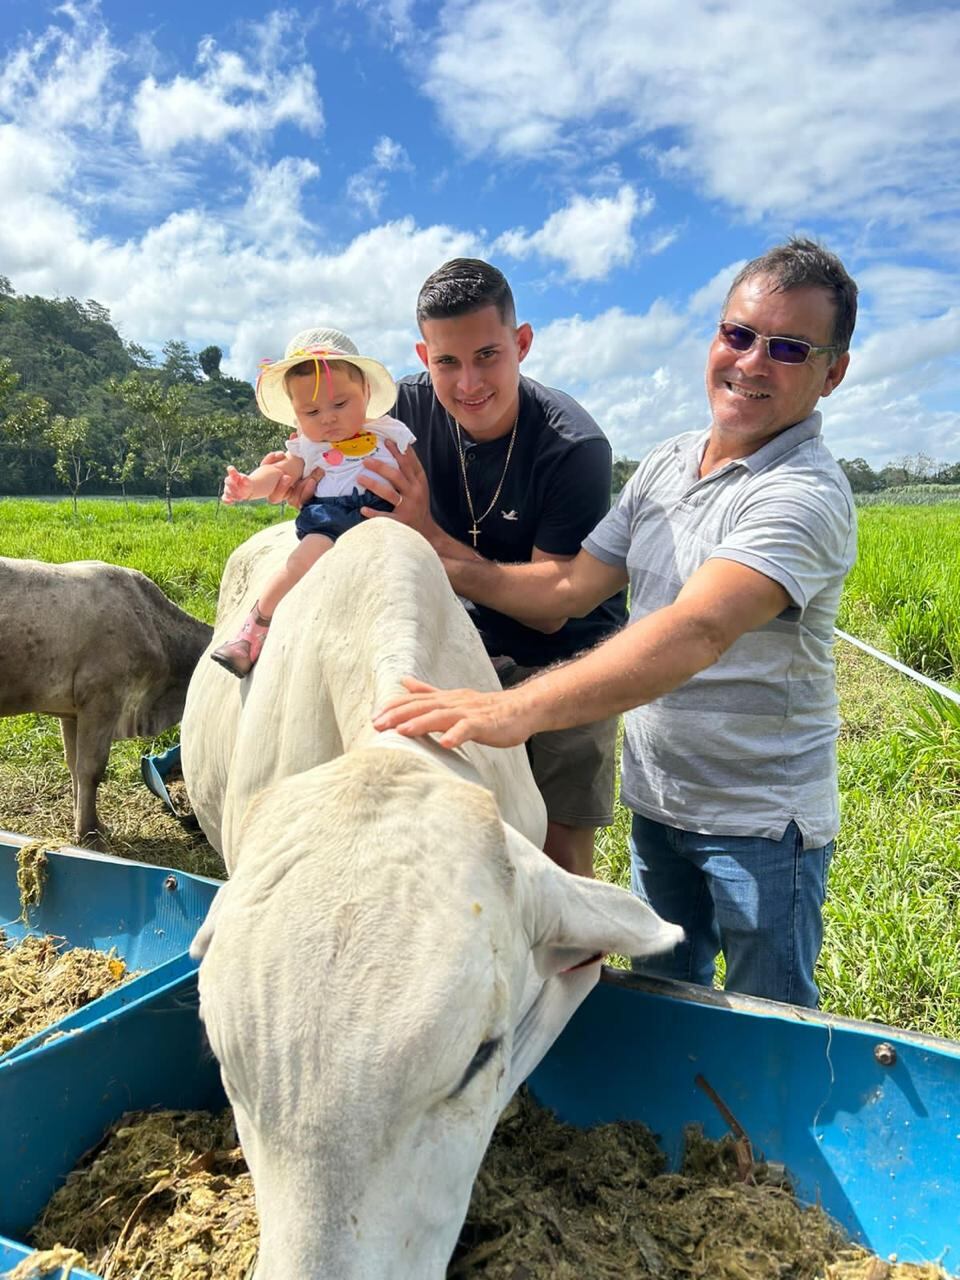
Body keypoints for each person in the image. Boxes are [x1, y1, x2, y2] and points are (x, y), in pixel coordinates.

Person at [373, 237, 859, 1009]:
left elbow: (695, 631)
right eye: (738, 333)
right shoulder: (668, 464)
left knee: (772, 1032)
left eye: (789, 348)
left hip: (759, 825)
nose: (752, 362)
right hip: (661, 800)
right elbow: (570, 583)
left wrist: (509, 708)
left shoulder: (803, 495)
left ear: (832, 371)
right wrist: (435, 546)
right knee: (661, 1008)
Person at [270, 260, 627, 878]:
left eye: (488, 355)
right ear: (422, 355)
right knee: (457, 853)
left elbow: (552, 607)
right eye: (447, 362)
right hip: (458, 646)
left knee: (559, 864)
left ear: (522, 344)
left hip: (565, 661)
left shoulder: (573, 447)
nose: (468, 383)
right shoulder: (401, 412)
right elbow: (322, 418)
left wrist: (429, 541)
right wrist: (297, 474)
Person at [211, 328, 412, 677]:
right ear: (296, 415)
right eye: (311, 411)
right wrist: (248, 486)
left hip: (387, 514)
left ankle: (461, 635)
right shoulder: (309, 446)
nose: (328, 418)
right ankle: (253, 629)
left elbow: (414, 472)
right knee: (300, 562)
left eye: (340, 404)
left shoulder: (389, 431)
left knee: (421, 566)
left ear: (365, 392)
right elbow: (280, 474)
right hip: (331, 518)